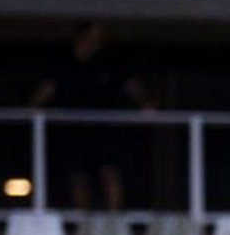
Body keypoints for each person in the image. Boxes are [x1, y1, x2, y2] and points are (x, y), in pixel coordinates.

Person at [29, 21, 153, 211]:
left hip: (104, 128)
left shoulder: (108, 62)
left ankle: (112, 218)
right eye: (92, 38)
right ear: (80, 37)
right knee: (78, 175)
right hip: (73, 128)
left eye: (99, 40)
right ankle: (81, 219)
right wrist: (32, 109)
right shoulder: (64, 63)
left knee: (109, 171)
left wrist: (145, 103)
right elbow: (47, 89)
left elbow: (131, 85)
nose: (95, 43)